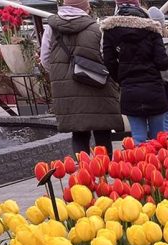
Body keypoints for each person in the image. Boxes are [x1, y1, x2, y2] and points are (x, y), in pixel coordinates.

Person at [40, 0, 123, 156]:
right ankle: (104, 172)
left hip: (65, 89)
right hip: (97, 85)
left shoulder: (51, 28)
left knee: (78, 133)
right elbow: (105, 56)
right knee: (102, 130)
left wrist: (63, 73)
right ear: (86, 7)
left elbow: (45, 59)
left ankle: (85, 173)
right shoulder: (97, 28)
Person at [102, 0, 168, 144]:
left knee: (138, 139)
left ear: (117, 6)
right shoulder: (152, 28)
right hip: (154, 89)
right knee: (159, 139)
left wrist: (121, 78)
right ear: (138, 5)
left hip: (129, 90)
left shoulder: (110, 30)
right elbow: (163, 63)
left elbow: (108, 61)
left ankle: (142, 166)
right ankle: (160, 166)